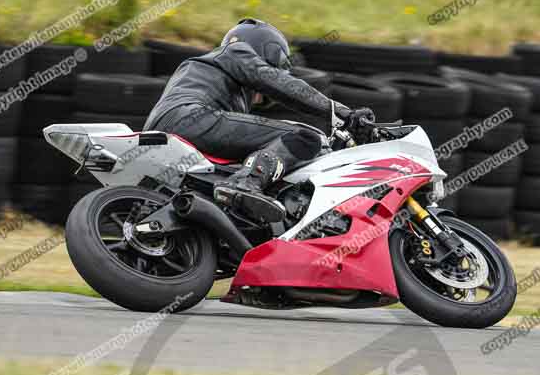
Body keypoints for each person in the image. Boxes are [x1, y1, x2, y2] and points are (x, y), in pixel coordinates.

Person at [144, 18, 374, 223]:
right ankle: (243, 184)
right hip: (191, 118)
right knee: (305, 137)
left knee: (267, 149)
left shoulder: (215, 74)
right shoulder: (235, 52)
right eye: (278, 65)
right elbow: (276, 83)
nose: (279, 70)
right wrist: (338, 110)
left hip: (168, 129)